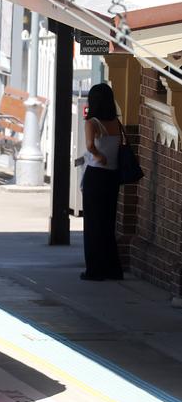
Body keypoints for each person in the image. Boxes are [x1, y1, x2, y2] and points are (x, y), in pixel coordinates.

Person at [80, 83, 123, 281]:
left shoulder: (92, 123)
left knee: (92, 224)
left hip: (96, 174)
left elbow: (90, 146)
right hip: (112, 177)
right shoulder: (116, 122)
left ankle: (94, 270)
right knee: (107, 223)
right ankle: (112, 268)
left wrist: (98, 154)